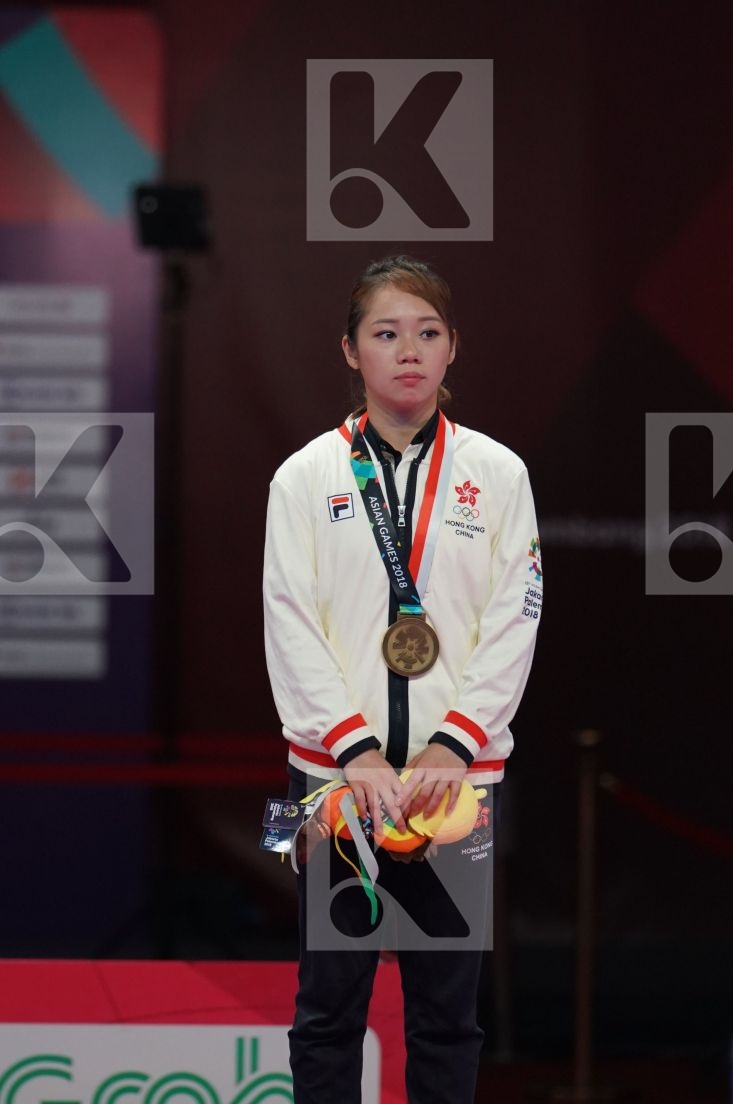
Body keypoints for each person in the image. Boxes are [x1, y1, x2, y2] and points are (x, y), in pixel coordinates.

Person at [262, 253, 542, 1103]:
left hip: (451, 788)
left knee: (448, 1018)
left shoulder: (496, 475)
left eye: (426, 333)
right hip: (342, 786)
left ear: (453, 348)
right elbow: (290, 619)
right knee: (328, 1015)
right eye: (386, 333)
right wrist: (355, 753)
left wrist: (455, 746)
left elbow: (515, 617)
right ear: (351, 351)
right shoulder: (306, 477)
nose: (408, 351)